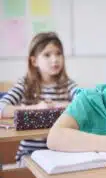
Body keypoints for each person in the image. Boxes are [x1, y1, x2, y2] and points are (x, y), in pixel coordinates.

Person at [0, 32, 77, 162]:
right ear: (34, 61)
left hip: (60, 153)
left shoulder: (68, 85)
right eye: (47, 55)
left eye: (58, 53)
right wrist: (36, 108)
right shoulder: (25, 85)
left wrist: (55, 106)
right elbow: (1, 107)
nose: (55, 59)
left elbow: (86, 103)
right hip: (29, 153)